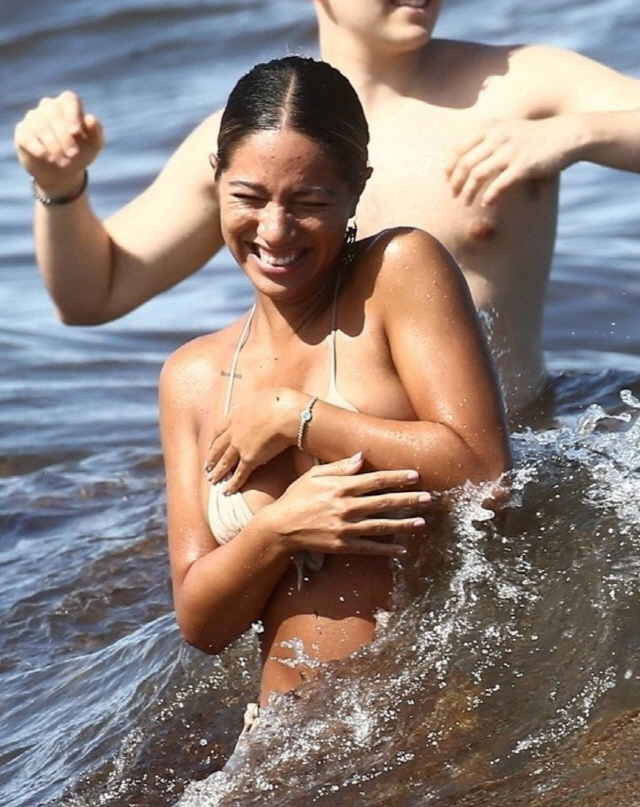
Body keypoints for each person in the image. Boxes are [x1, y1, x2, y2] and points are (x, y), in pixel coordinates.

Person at [16, 1, 640, 416]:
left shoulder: (520, 85)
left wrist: (573, 134)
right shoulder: (259, 140)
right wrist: (60, 185)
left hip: (504, 459)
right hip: (334, 471)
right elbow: (93, 294)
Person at [159, 56, 510, 738]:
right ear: (216, 180)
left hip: (433, 720)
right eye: (249, 196)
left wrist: (297, 417)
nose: (275, 230)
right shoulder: (192, 377)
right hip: (282, 744)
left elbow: (483, 468)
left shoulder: (396, 273)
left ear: (356, 190)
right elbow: (202, 623)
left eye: (310, 202)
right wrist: (278, 530)